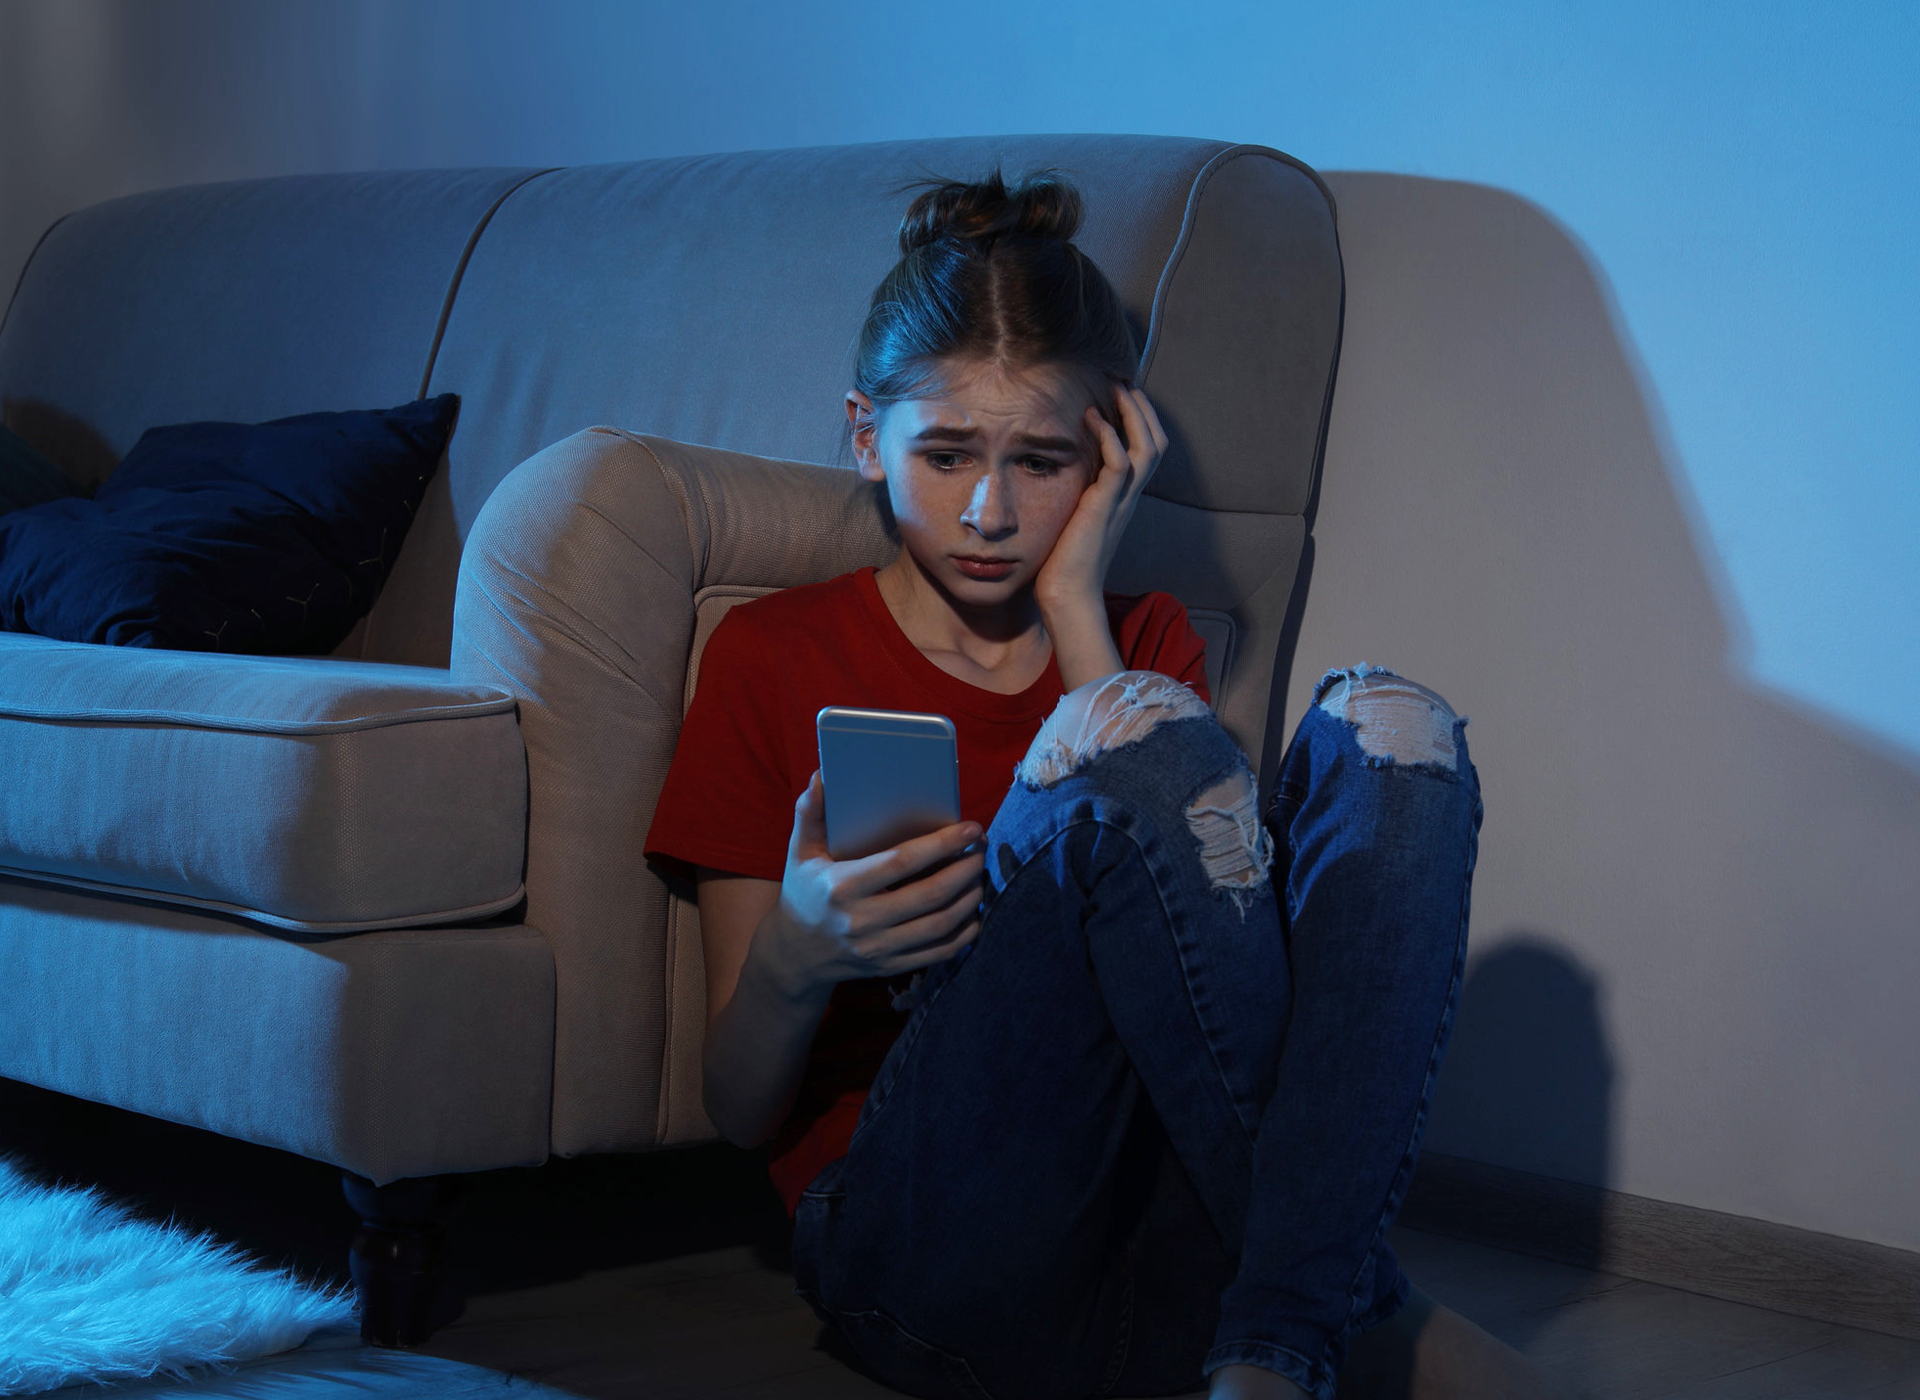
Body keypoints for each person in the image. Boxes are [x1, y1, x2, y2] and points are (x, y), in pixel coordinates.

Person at [644, 171, 1561, 1400]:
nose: (989, 509)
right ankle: (1351, 1314)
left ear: (1112, 456)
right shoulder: (773, 654)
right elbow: (739, 1109)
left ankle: (1266, 1356)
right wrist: (798, 958)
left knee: (1393, 731)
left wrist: (1081, 606)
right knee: (1132, 737)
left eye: (1042, 461)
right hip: (926, 1248)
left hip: (1164, 1236)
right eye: (948, 453)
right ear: (865, 435)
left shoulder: (1145, 640)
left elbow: (1210, 987)